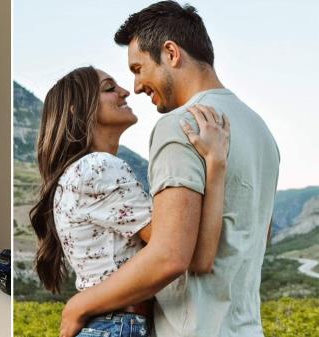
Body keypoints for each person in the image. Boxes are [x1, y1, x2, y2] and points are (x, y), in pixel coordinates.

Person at [59, 2, 280, 337]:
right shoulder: (261, 131)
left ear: (171, 53)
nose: (134, 87)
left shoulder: (180, 125)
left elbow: (169, 255)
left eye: (138, 68)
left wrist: (80, 305)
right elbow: (259, 235)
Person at [30, 65, 230, 337]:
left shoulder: (84, 170)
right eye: (110, 88)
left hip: (116, 325)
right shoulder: (97, 168)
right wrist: (215, 165)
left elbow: (195, 258)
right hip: (117, 326)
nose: (125, 91)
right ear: (78, 108)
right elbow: (183, 253)